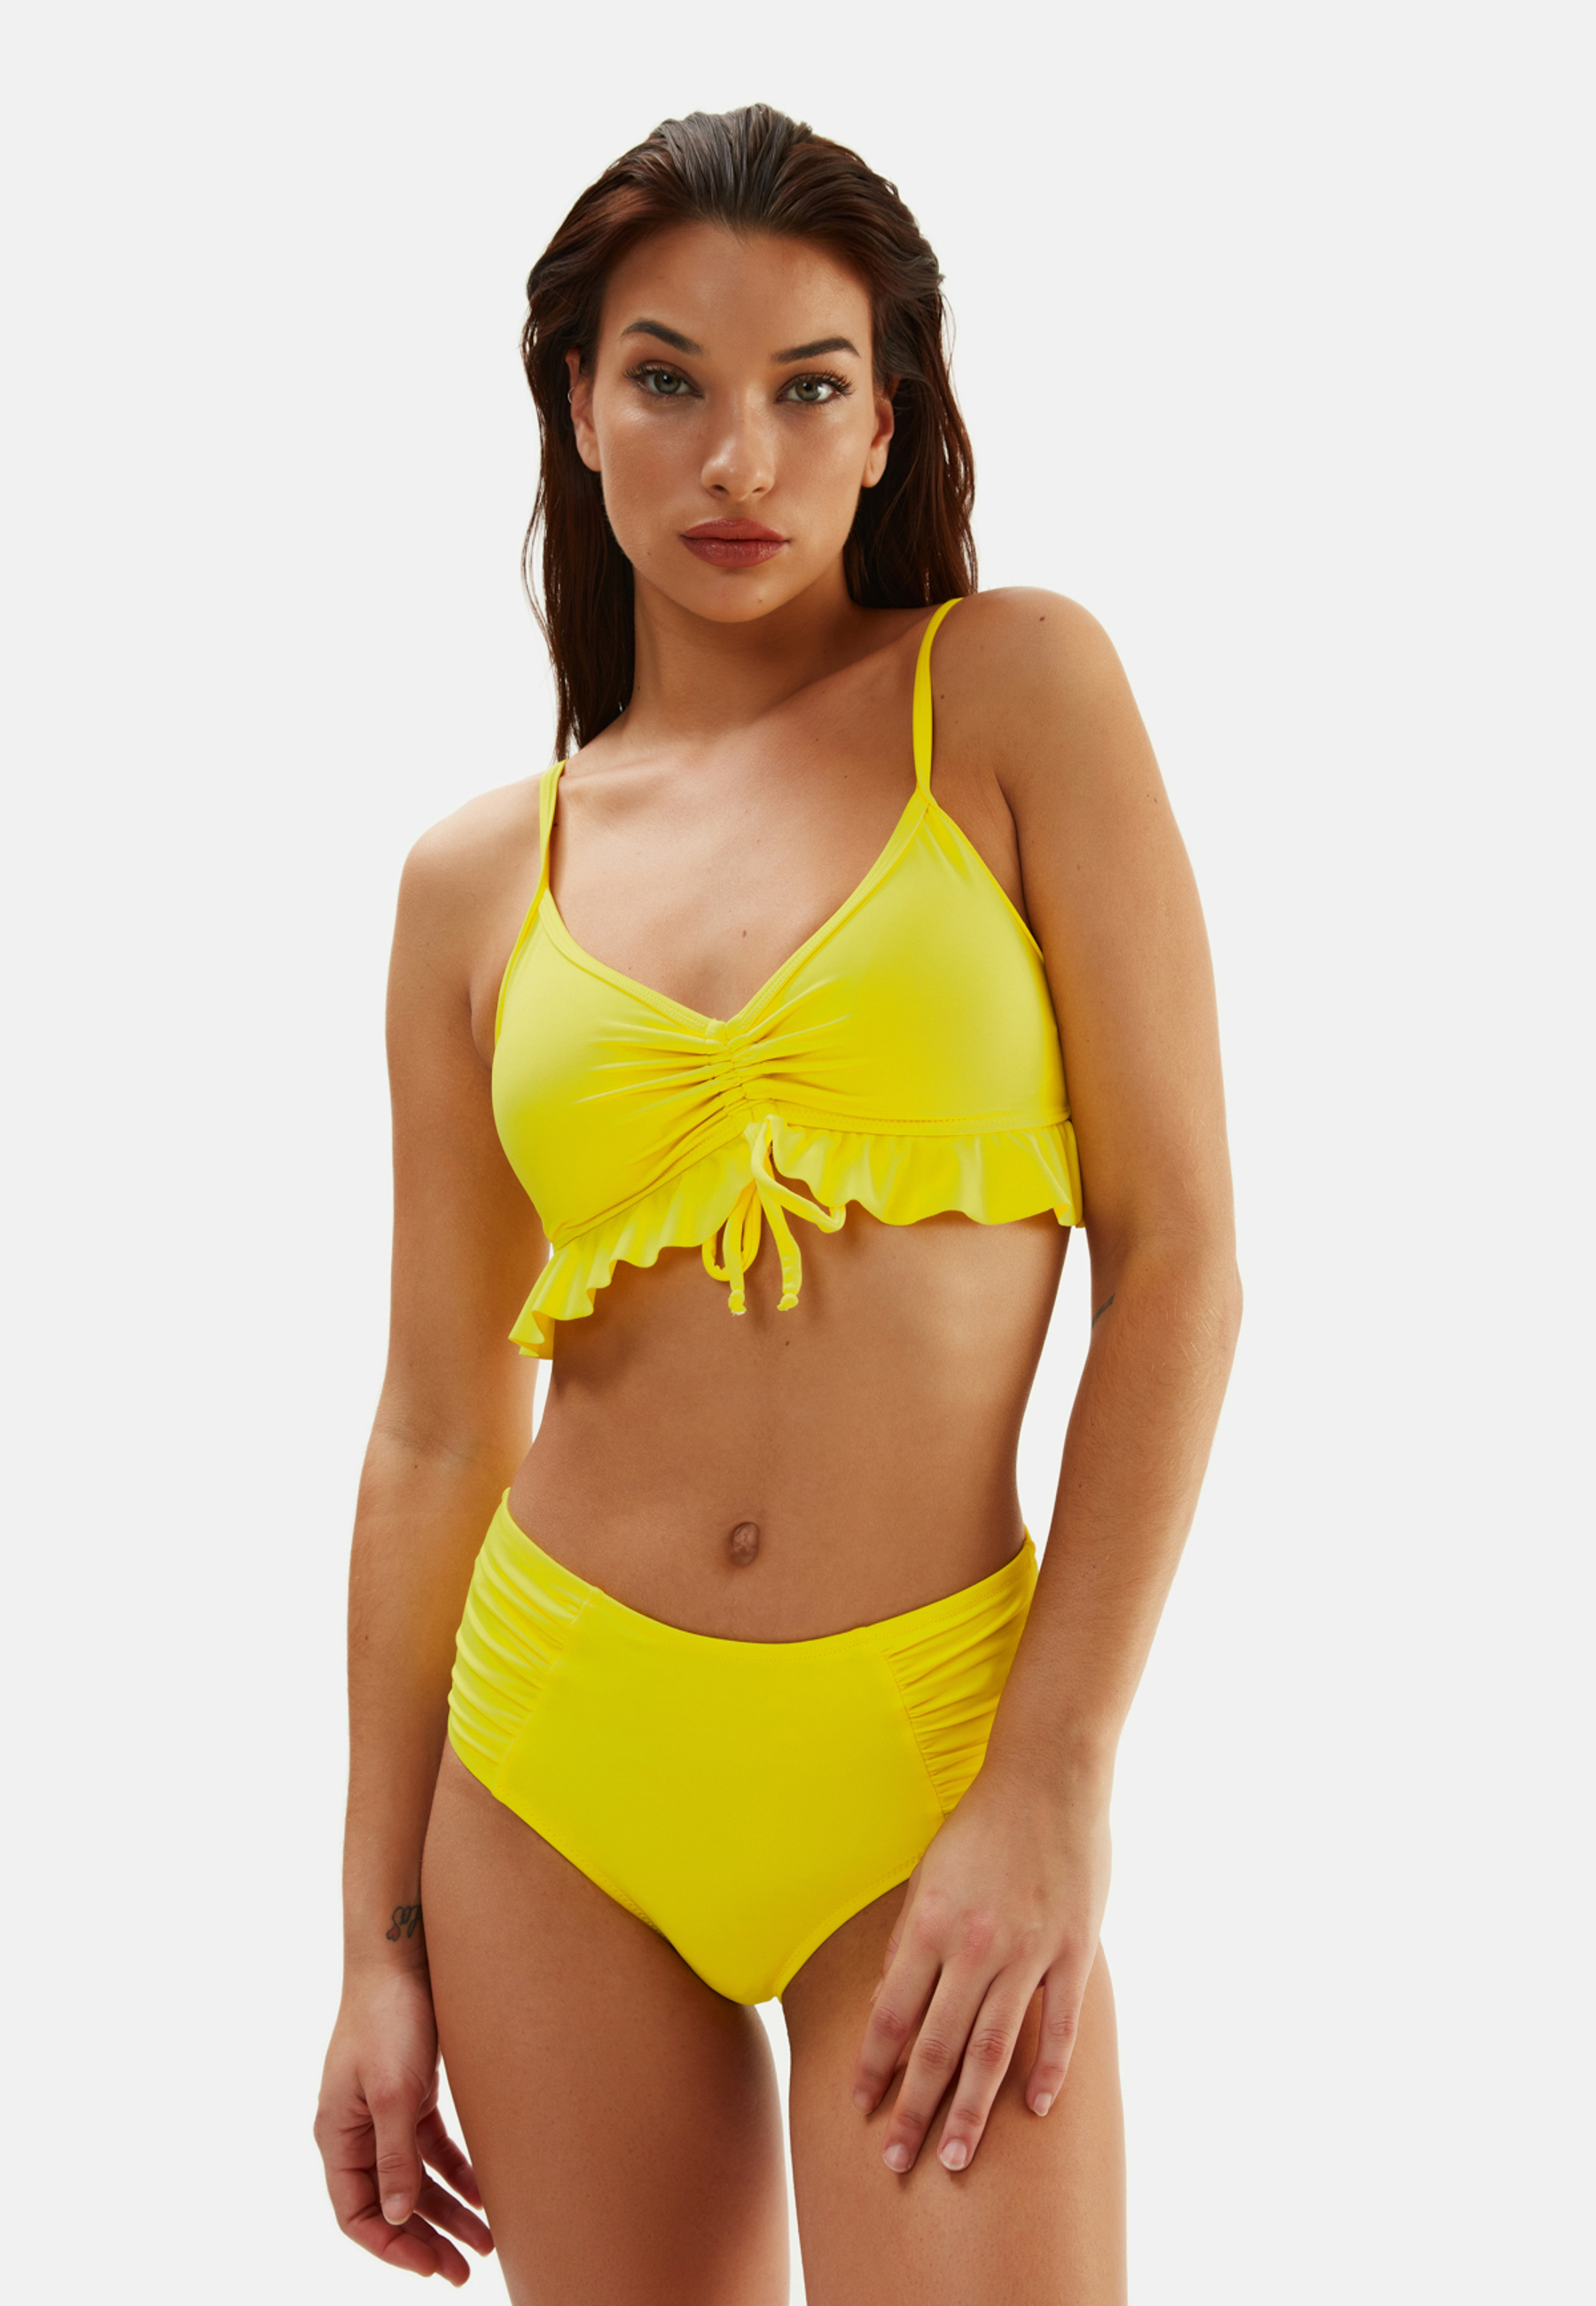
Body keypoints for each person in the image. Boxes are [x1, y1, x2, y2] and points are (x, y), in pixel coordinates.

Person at [314, 102, 1240, 2306]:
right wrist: (373, 1942)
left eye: (808, 389)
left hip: (931, 1757)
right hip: (550, 1777)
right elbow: (436, 1429)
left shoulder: (1011, 695)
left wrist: (1053, 1782)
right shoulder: (475, 881)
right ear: (577, 404)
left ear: (885, 420)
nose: (738, 456)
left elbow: (1182, 1264)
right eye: (669, 380)